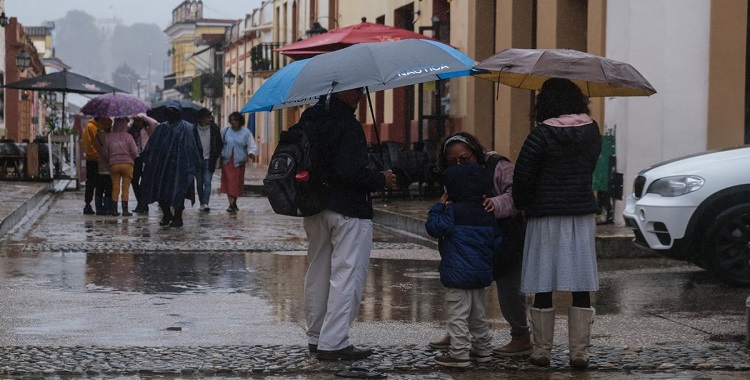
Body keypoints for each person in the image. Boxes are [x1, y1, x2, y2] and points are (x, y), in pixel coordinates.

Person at [300, 88, 396, 361]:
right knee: (347, 274)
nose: (360, 98)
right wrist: (381, 178)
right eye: (356, 92)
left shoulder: (309, 119)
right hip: (348, 210)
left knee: (317, 270)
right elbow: (349, 172)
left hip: (315, 207)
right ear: (344, 92)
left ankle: (317, 337)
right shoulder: (348, 125)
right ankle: (335, 341)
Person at [513, 78, 602, 369]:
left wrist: (522, 204)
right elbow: (589, 166)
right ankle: (579, 352)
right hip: (580, 215)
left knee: (543, 283)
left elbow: (523, 177)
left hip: (546, 215)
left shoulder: (540, 135)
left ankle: (542, 350)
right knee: (580, 284)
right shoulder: (592, 131)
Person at [429, 132, 532, 357]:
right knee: (466, 290)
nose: (458, 165)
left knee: (508, 288)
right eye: (452, 161)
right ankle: (459, 333)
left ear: (475, 153)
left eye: (464, 159)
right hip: (469, 239)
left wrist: (495, 204)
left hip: (504, 235)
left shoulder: (498, 165)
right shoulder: (453, 174)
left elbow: (518, 193)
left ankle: (521, 335)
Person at [425, 162, 501, 368]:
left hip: (458, 275)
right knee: (478, 315)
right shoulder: (486, 211)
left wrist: (438, 207)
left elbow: (433, 227)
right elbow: (496, 240)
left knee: (457, 315)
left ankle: (459, 354)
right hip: (480, 274)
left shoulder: (453, 211)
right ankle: (483, 351)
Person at [140, 100, 202, 228]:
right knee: (161, 192)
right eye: (168, 112)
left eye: (173, 111)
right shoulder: (162, 128)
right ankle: (167, 214)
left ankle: (178, 217)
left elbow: (195, 147)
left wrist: (194, 164)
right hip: (164, 167)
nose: (171, 114)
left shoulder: (189, 128)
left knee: (180, 192)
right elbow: (152, 146)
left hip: (182, 167)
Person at [220, 111, 258, 213]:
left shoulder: (246, 133)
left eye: (235, 120)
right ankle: (231, 204)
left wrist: (251, 153)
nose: (233, 122)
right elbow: (219, 143)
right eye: (231, 120)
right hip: (227, 160)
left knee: (236, 183)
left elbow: (251, 145)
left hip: (239, 161)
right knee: (229, 182)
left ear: (240, 121)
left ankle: (234, 202)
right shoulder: (225, 131)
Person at [102, 117, 138, 217]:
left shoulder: (108, 137)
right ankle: (125, 210)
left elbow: (105, 152)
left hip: (114, 164)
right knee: (125, 188)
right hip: (127, 164)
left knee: (115, 188)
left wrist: (111, 158)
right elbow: (135, 152)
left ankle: (114, 210)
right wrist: (131, 158)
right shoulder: (128, 137)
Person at [81, 117, 112, 215]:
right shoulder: (91, 127)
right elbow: (91, 144)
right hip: (94, 160)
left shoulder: (95, 127)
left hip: (98, 160)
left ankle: (97, 206)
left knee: (98, 184)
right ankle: (89, 204)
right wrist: (99, 155)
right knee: (92, 183)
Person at [195, 108, 223, 212]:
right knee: (199, 183)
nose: (210, 119)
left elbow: (219, 143)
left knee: (207, 182)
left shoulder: (214, 128)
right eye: (207, 117)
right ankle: (201, 202)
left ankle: (206, 203)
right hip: (198, 160)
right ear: (202, 118)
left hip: (209, 159)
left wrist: (216, 155)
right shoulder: (194, 129)